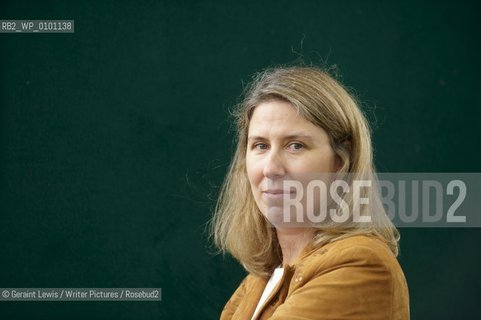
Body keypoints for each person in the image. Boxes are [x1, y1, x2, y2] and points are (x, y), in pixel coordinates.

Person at [210, 66, 410, 319]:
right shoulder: (259, 281)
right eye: (260, 145)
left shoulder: (361, 264)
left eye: (295, 145)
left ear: (341, 161)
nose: (271, 168)